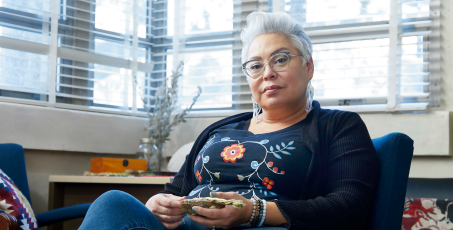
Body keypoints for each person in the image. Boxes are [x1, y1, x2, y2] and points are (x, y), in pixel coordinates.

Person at [79, 11, 380, 230]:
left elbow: (350, 206)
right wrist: (158, 203)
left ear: (309, 66)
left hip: (263, 229)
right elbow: (175, 192)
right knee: (113, 202)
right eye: (255, 65)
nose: (268, 73)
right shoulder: (220, 130)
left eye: (281, 59)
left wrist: (254, 212)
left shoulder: (339, 126)